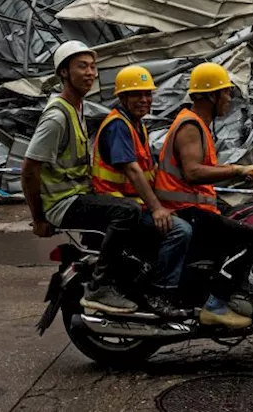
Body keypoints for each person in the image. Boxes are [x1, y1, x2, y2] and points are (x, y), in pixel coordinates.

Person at [20, 40, 141, 316]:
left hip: (78, 196)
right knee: (127, 213)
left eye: (92, 66)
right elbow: (29, 169)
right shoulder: (57, 116)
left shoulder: (79, 107)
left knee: (137, 210)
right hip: (64, 203)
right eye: (81, 67)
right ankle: (101, 286)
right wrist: (39, 218)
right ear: (63, 72)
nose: (90, 73)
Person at [154, 62, 253, 330]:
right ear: (209, 96)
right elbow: (193, 172)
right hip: (184, 210)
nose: (228, 99)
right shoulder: (191, 126)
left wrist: (243, 174)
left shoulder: (199, 125)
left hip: (193, 208)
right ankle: (217, 303)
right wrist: (240, 169)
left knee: (239, 225)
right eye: (225, 93)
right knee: (251, 238)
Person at [90, 64, 193, 318]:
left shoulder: (138, 126)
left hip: (134, 204)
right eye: (137, 94)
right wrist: (158, 208)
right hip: (120, 207)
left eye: (148, 94)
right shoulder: (118, 126)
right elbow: (133, 171)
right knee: (180, 231)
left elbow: (150, 171)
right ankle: (160, 293)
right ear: (122, 97)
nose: (145, 100)